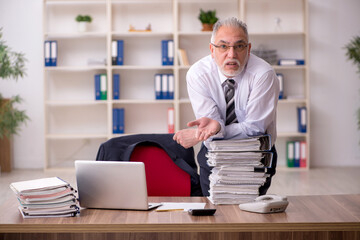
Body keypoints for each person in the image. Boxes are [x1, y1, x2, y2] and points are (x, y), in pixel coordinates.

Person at [173, 17, 280, 196]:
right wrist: (212, 129)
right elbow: (210, 124)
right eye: (223, 46)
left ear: (249, 48)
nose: (231, 54)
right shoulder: (199, 74)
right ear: (211, 49)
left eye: (239, 46)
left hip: (255, 152)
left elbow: (255, 128)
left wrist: (217, 129)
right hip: (215, 152)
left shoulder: (263, 74)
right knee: (214, 211)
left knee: (249, 212)